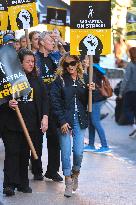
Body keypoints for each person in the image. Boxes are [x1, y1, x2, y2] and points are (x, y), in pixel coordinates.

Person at [0, 48, 49, 196]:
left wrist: (45, 117)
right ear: (19, 63)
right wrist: (8, 102)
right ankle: (9, 185)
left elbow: (45, 100)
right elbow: (2, 96)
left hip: (30, 124)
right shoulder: (9, 80)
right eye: (28, 61)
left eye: (33, 61)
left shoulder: (36, 80)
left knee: (24, 154)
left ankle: (22, 183)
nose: (31, 64)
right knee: (12, 153)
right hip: (11, 124)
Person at [50, 52, 95, 197]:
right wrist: (62, 121)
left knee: (78, 152)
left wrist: (91, 90)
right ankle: (68, 180)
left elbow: (89, 101)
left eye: (73, 63)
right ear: (63, 65)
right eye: (67, 64)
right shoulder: (60, 80)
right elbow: (55, 101)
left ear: (78, 63)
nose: (70, 66)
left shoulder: (84, 79)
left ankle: (76, 173)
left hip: (80, 119)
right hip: (64, 119)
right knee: (65, 152)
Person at [35, 31, 63, 182]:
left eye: (53, 40)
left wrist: (60, 40)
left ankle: (52, 170)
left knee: (54, 138)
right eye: (50, 40)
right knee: (37, 138)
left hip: (53, 103)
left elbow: (67, 60)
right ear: (41, 42)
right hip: (38, 103)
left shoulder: (54, 57)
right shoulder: (34, 58)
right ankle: (37, 169)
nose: (53, 42)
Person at [84, 55, 111, 153]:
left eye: (87, 58)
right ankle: (91, 145)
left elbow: (93, 86)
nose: (84, 60)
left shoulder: (92, 69)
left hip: (96, 99)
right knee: (91, 122)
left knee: (95, 122)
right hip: (96, 99)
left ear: (91, 59)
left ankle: (105, 145)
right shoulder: (95, 68)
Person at [119, 47, 136, 138]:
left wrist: (121, 92)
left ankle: (134, 125)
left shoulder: (130, 65)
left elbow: (126, 79)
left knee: (127, 109)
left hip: (130, 91)